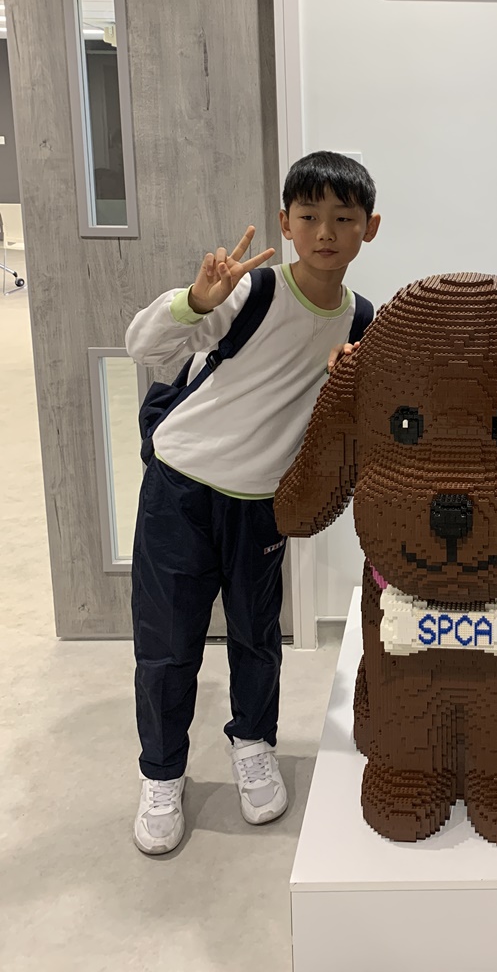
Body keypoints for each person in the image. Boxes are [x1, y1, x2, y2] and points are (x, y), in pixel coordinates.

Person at [125, 151, 380, 855]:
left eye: (343, 218)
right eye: (309, 216)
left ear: (369, 228)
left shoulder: (362, 321)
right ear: (285, 223)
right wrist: (196, 299)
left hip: (262, 506)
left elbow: (349, 424)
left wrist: (348, 385)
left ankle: (254, 744)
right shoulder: (251, 292)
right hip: (180, 488)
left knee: (256, 636)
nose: (325, 232)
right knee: (167, 645)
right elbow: (145, 348)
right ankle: (162, 774)